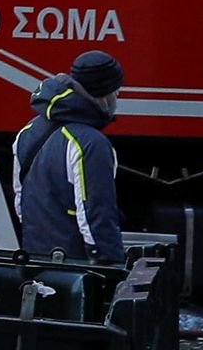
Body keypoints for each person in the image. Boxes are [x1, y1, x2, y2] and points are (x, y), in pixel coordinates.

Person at [16, 50, 125, 258]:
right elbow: (95, 214)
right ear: (104, 93)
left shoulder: (28, 131)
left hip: (37, 258)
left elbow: (21, 202)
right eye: (115, 91)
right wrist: (110, 262)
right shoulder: (91, 144)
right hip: (73, 264)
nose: (117, 97)